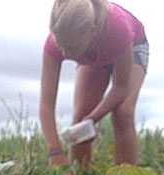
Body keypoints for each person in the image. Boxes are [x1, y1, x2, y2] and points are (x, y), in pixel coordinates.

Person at [40, 0, 148, 166]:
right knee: (80, 117)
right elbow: (46, 103)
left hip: (131, 46)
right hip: (94, 53)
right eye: (60, 45)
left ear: (93, 31)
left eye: (71, 47)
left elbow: (121, 87)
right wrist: (55, 151)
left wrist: (93, 118)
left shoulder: (118, 27)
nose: (65, 53)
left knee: (123, 112)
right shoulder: (57, 42)